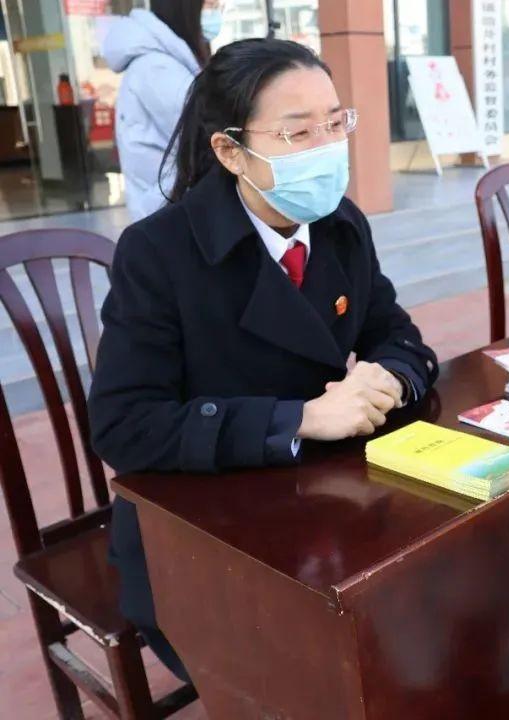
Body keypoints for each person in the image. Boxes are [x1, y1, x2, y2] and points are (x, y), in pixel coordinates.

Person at [88, 38, 438, 682]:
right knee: (312, 674)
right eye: (297, 132)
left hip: (325, 505)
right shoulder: (158, 254)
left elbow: (401, 336)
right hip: (204, 536)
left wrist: (388, 375)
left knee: (425, 620)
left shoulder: (339, 224)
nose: (328, 148)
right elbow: (125, 425)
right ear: (229, 149)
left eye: (335, 124)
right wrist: (297, 419)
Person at [105, 0, 225, 221]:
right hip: (169, 211)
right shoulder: (157, 69)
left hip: (168, 205)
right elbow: (208, 137)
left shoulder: (165, 63)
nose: (217, 13)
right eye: (211, 5)